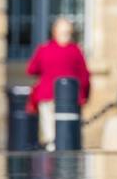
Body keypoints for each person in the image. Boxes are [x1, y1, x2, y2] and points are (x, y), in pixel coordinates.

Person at [27, 17, 90, 150]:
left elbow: (32, 70)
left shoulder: (45, 49)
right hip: (69, 98)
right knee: (68, 133)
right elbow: (85, 77)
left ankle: (52, 158)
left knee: (50, 134)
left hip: (49, 96)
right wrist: (84, 95)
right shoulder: (75, 51)